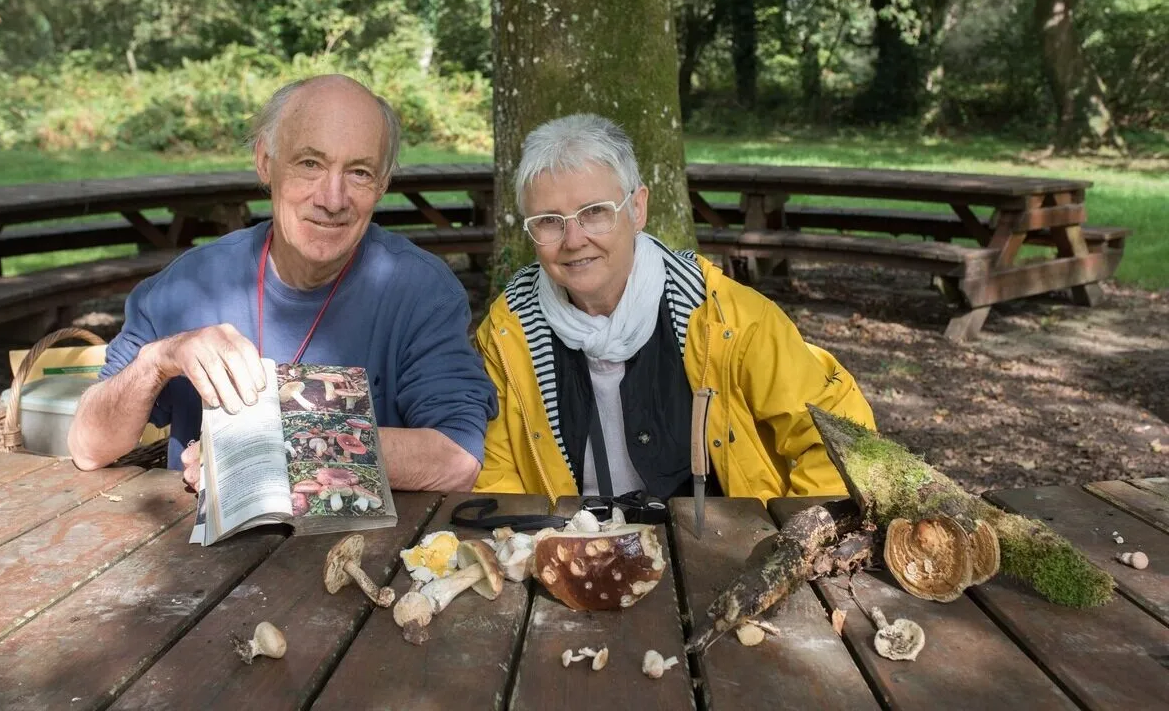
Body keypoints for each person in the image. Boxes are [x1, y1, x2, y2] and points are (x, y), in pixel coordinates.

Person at [68, 75, 496, 492]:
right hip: (202, 559)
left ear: (383, 183)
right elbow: (87, 447)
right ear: (265, 162)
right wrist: (158, 359)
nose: (332, 199)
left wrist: (286, 451)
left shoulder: (420, 290)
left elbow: (457, 459)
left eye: (360, 172)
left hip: (365, 555)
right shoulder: (188, 285)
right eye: (310, 164)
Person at [473, 114, 875, 505]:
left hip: (721, 550)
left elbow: (839, 434)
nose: (574, 239)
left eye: (595, 212)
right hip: (573, 547)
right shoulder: (507, 335)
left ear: (637, 209)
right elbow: (496, 471)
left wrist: (793, 538)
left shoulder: (729, 319)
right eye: (548, 221)